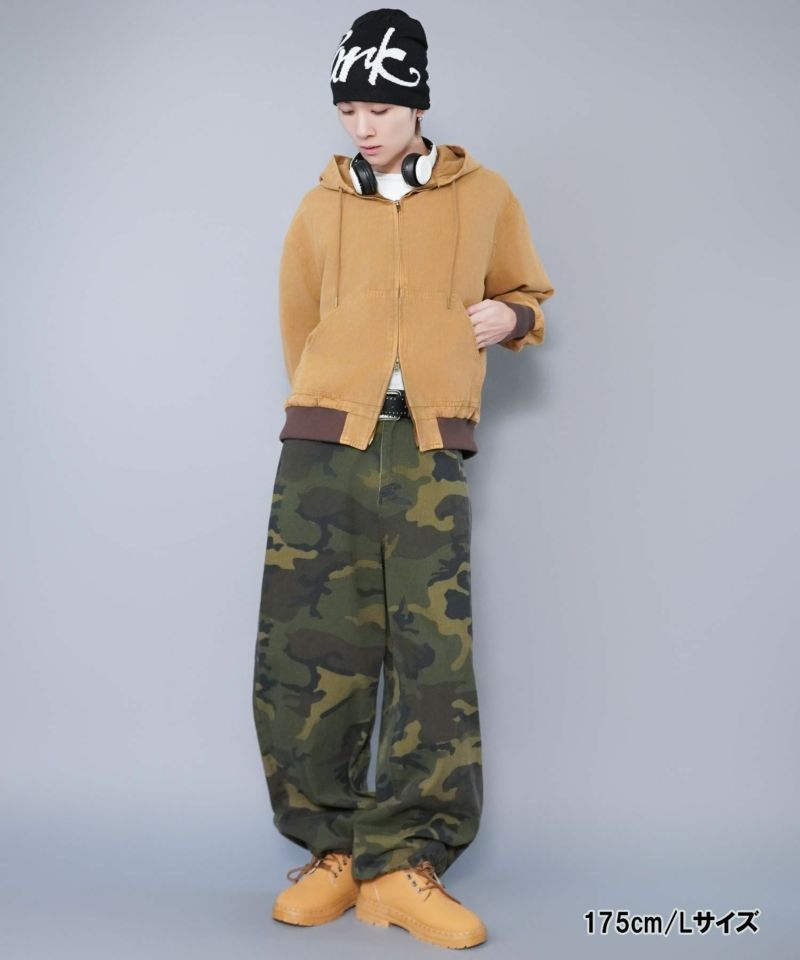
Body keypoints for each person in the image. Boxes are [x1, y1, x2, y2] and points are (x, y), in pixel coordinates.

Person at [252, 7, 555, 950]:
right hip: (325, 448)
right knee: (309, 651)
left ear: (418, 102)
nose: (364, 125)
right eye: (349, 109)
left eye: (380, 106)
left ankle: (402, 864)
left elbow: (527, 293)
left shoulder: (483, 195)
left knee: (432, 659)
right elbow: (299, 323)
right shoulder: (320, 206)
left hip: (425, 447)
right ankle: (335, 850)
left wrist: (510, 319)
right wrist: (331, 398)